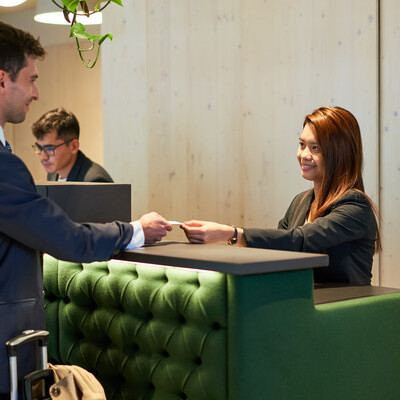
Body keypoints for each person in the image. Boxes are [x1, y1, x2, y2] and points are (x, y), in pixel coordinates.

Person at [0, 21, 171, 397]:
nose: (36, 92)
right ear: (1, 80)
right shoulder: (3, 165)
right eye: (31, 79)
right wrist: (135, 229)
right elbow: (70, 240)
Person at [181, 106, 381, 286]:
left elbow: (300, 241)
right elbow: (278, 251)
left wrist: (231, 234)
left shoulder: (356, 206)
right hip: (301, 303)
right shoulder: (301, 201)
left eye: (315, 148)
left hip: (343, 310)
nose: (304, 155)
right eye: (302, 144)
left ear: (340, 153)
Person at [32, 107, 114, 182]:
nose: (43, 157)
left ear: (74, 146)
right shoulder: (53, 174)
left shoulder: (94, 181)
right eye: (39, 147)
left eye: (49, 149)